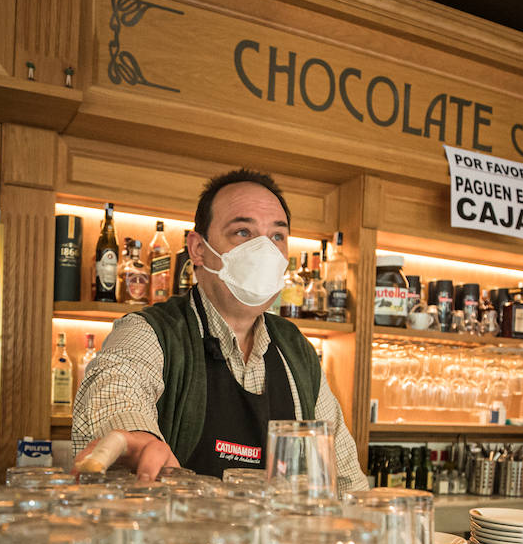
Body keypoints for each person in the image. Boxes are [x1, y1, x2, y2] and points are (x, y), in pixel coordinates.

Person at [72, 168, 370, 488]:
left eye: (277, 236)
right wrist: (137, 439)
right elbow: (117, 395)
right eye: (243, 232)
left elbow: (344, 481)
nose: (265, 251)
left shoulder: (296, 350)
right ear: (198, 249)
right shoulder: (150, 333)